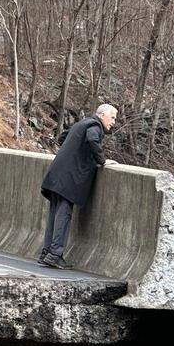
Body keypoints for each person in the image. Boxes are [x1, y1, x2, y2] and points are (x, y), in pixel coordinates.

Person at [38, 103, 117, 269]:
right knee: (63, 217)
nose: (114, 122)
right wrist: (101, 160)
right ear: (102, 115)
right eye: (113, 117)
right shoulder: (95, 126)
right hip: (69, 179)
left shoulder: (82, 123)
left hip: (57, 174)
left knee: (54, 215)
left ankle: (46, 253)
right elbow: (92, 139)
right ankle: (54, 255)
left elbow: (62, 138)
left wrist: (76, 153)